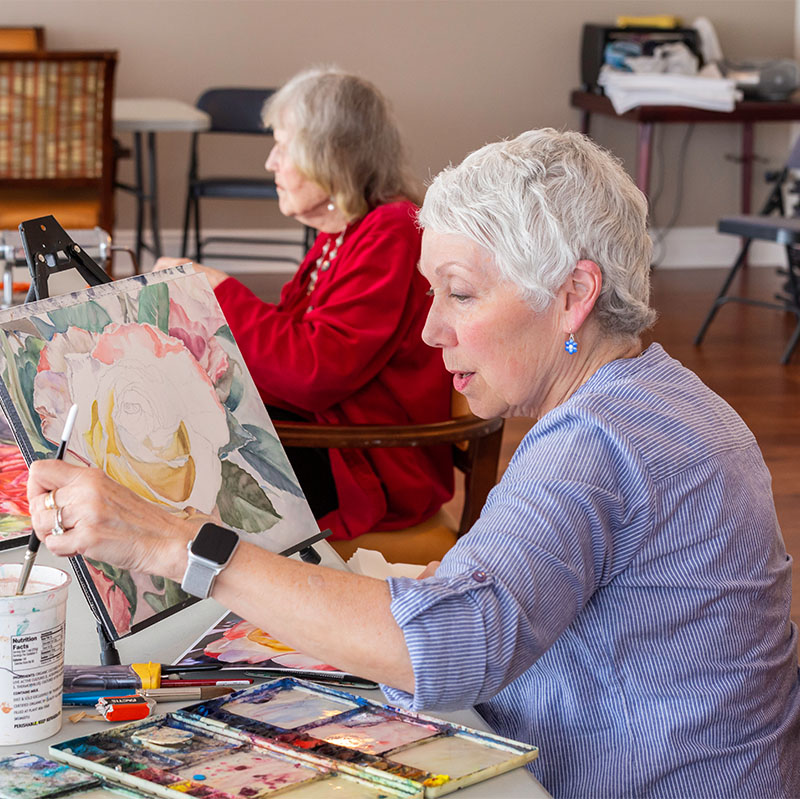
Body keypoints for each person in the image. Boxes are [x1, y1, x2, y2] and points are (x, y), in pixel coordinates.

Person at [29, 129, 800, 798]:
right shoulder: (663, 395)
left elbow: (447, 646)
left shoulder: (597, 440)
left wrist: (176, 540)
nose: (431, 330)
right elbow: (505, 593)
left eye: (460, 294)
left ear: (573, 295)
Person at [155, 67, 452, 543]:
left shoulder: (392, 231)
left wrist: (220, 289)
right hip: (336, 440)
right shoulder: (350, 231)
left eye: (283, 145)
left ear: (330, 154)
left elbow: (312, 371)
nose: (271, 162)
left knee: (174, 459)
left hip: (368, 465)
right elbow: (295, 343)